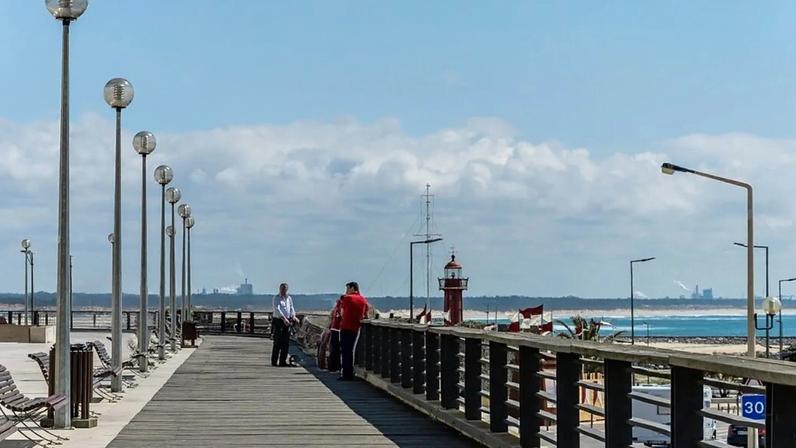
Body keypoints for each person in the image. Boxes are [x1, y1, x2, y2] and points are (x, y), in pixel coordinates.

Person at [338, 281, 369, 381]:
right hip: (356, 328)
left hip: (346, 327)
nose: (346, 291)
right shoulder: (363, 300)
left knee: (345, 351)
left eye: (347, 289)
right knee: (351, 350)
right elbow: (366, 314)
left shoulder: (347, 298)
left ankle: (346, 374)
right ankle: (350, 373)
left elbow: (342, 313)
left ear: (352, 288)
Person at [272, 283, 297, 367]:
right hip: (279, 320)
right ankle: (274, 361)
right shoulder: (276, 298)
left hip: (288, 321)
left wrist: (293, 316)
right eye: (282, 289)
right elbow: (277, 309)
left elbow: (291, 308)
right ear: (279, 289)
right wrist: (284, 319)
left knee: (286, 342)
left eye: (285, 289)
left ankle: (283, 361)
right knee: (277, 341)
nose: (283, 290)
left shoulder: (289, 298)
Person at [327, 297, 343, 372]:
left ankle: (332, 366)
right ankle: (337, 366)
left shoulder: (336, 307)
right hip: (338, 330)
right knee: (337, 350)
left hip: (334, 328)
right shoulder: (341, 306)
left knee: (333, 349)